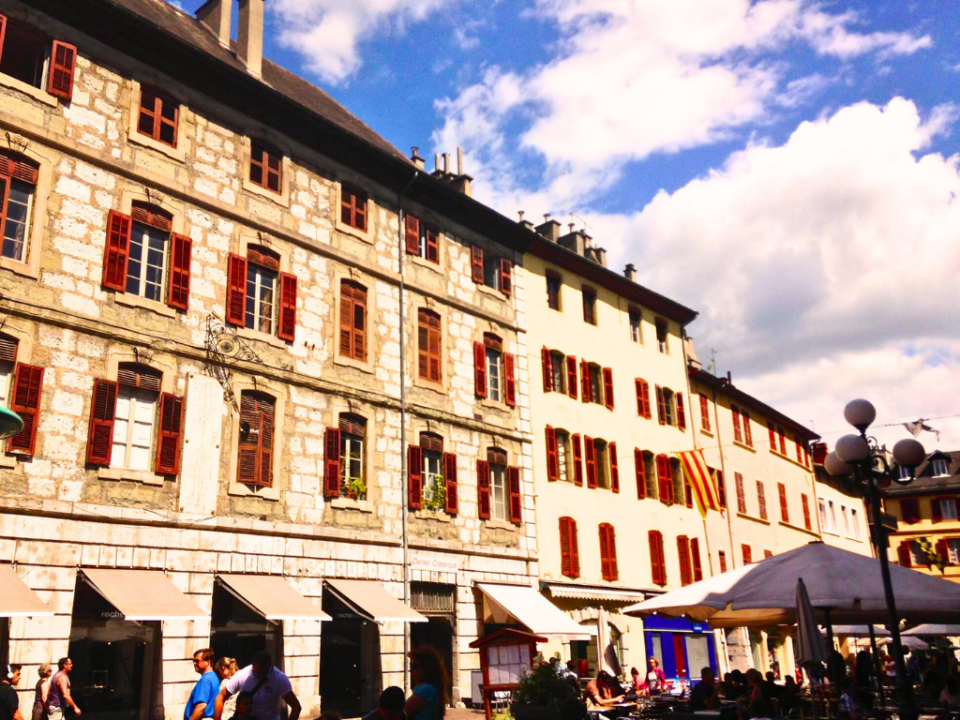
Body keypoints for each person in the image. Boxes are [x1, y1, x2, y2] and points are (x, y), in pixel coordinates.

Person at [213, 651, 300, 720]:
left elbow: (296, 706)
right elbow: (220, 697)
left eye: (263, 673)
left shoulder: (279, 678)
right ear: (252, 666)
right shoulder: (242, 675)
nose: (260, 676)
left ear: (270, 666)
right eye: (256, 673)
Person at [404, 647, 448, 720]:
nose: (411, 670)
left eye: (415, 666)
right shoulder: (431, 688)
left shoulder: (426, 689)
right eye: (411, 666)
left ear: (427, 668)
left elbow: (404, 712)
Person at [186, 649, 220, 720]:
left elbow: (201, 706)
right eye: (193, 661)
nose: (194, 663)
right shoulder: (213, 676)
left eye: (197, 661)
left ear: (208, 661)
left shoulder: (205, 679)